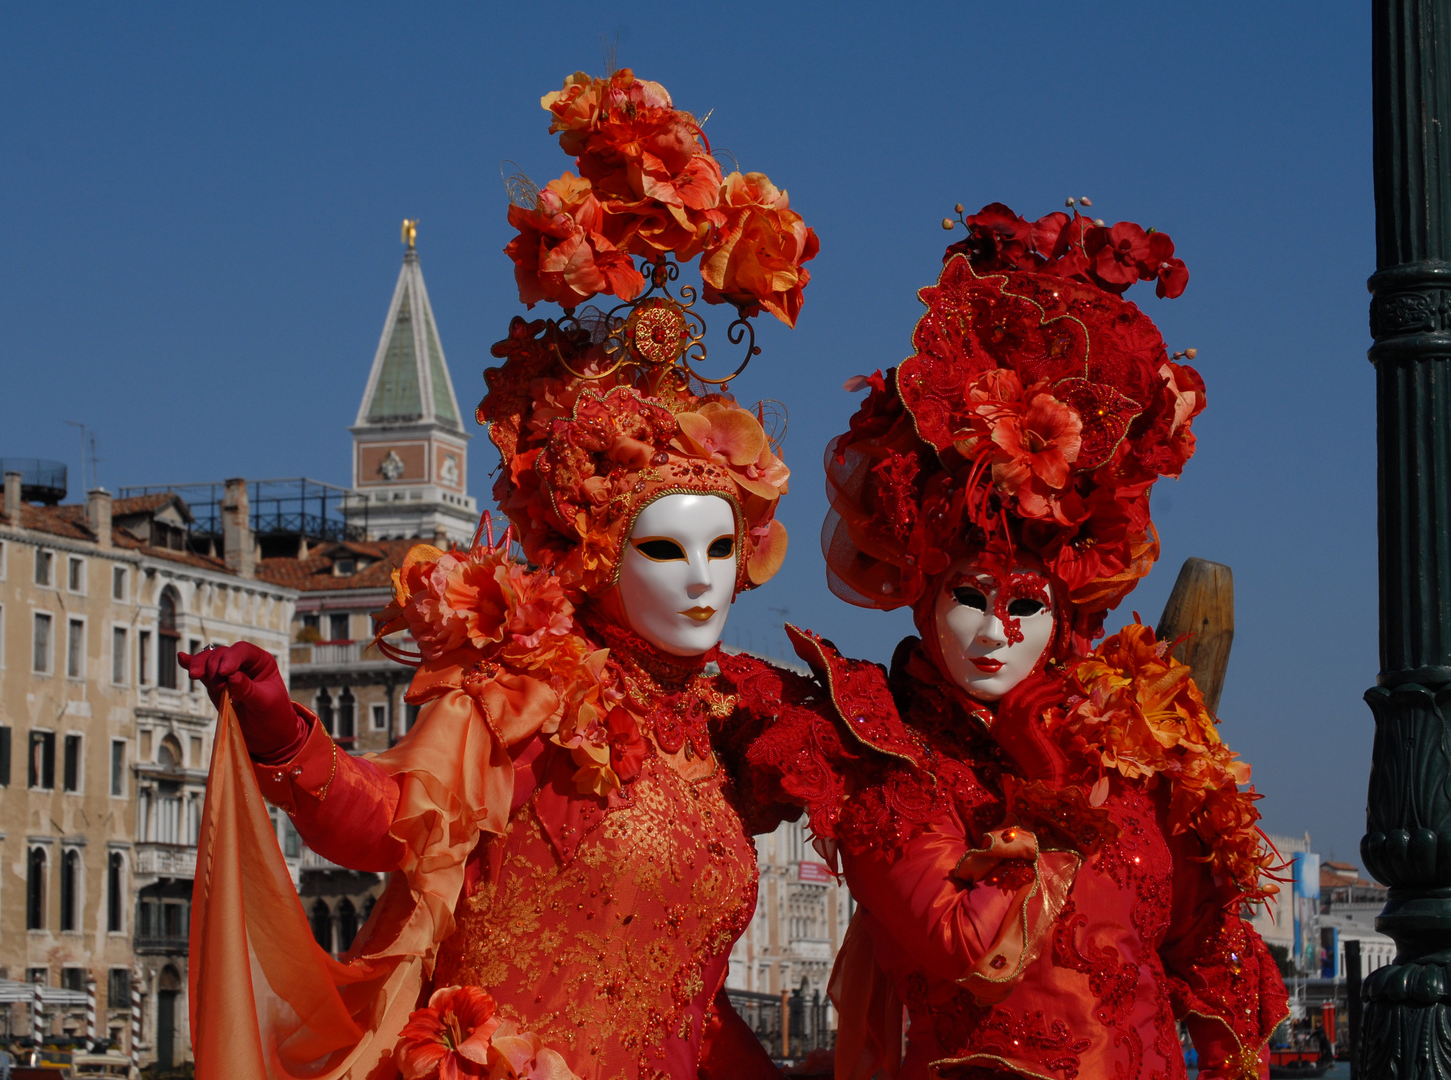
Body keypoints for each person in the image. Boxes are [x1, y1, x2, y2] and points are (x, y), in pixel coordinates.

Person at [184, 66, 817, 1080]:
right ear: (597, 556)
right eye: (664, 547)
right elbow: (390, 824)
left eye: (720, 548)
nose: (703, 579)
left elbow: (683, 1000)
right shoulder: (527, 695)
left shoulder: (723, 732)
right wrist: (281, 728)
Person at [725, 204, 1289, 1080]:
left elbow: (1199, 946)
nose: (994, 632)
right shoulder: (878, 752)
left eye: (1025, 605)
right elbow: (965, 942)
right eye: (968, 598)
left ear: (1066, 614)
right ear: (921, 595)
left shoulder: (1128, 751)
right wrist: (1051, 799)